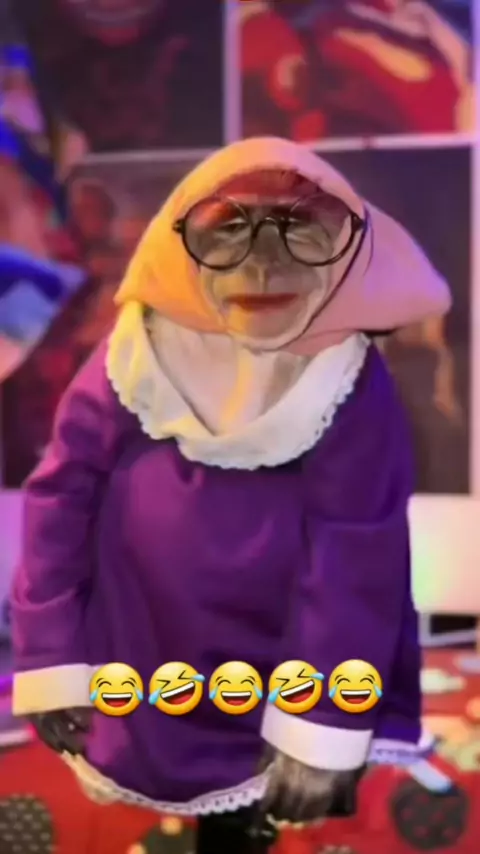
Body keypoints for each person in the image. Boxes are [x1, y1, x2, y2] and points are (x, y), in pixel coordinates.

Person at [11, 138, 451, 853]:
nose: (263, 261)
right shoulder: (136, 351)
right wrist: (52, 656)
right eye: (230, 230)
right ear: (180, 246)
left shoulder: (344, 377)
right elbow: (60, 499)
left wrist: (319, 725)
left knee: (256, 816)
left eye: (297, 229)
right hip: (144, 636)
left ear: (345, 247)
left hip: (285, 647)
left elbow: (355, 560)